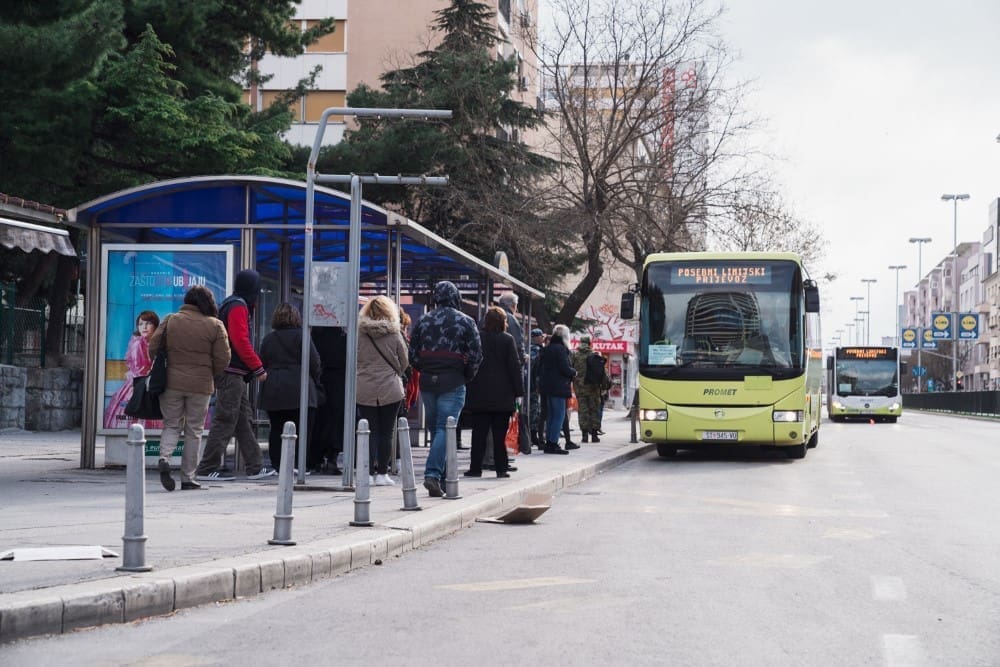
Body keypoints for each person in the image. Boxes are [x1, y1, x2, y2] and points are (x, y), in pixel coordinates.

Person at [196, 269, 275, 481]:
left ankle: (255, 466)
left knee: (242, 420)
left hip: (230, 372)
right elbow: (240, 340)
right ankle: (207, 468)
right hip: (231, 372)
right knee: (226, 418)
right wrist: (258, 368)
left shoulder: (230, 303)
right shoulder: (238, 306)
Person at [150, 286, 230, 491]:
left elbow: (153, 346)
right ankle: (188, 477)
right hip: (201, 385)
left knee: (171, 425)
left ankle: (164, 457)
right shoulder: (215, 325)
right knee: (194, 430)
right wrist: (209, 372)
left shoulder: (171, 320)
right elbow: (224, 358)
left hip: (171, 382)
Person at [408, 280, 482, 497]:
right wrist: (466, 375)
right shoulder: (466, 321)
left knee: (436, 430)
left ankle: (440, 477)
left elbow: (412, 354)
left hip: (428, 381)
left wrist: (425, 368)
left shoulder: (423, 320)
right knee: (444, 429)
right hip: (453, 380)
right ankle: (432, 474)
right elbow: (477, 354)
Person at [258, 303, 322, 474]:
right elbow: (315, 362)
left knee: (277, 429)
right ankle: (298, 464)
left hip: (274, 388)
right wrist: (315, 381)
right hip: (300, 388)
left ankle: (278, 464)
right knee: (302, 430)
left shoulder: (269, 339)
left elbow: (261, 362)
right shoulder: (303, 336)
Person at [464, 306, 524, 478]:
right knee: (499, 434)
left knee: (478, 434)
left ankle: (475, 468)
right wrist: (518, 392)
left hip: (480, 393)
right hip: (503, 395)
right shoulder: (507, 340)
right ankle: (501, 468)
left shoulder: (478, 338)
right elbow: (514, 367)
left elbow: (471, 362)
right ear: (503, 322)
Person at [357, 295, 409, 486]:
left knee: (369, 431)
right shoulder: (394, 334)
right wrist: (394, 371)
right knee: (386, 432)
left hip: (365, 387)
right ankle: (382, 474)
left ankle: (367, 473)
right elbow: (404, 361)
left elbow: (353, 358)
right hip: (390, 388)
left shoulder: (359, 334)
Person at [104, 311, 162, 430]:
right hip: (140, 383)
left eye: (148, 323)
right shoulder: (139, 343)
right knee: (142, 409)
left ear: (155, 326)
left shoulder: (153, 342)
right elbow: (139, 369)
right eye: (141, 324)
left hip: (145, 382)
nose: (144, 327)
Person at [311, 326, 348, 473]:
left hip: (318, 380)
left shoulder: (314, 334)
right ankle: (332, 457)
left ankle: (315, 459)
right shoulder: (343, 337)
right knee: (336, 420)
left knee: (318, 419)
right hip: (339, 382)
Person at [536, 324, 575, 454]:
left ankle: (549, 443)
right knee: (559, 415)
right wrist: (574, 372)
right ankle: (553, 443)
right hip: (558, 387)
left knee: (551, 415)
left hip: (546, 387)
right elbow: (564, 368)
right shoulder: (561, 349)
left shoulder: (547, 349)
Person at [571, 334, 610, 443]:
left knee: (583, 411)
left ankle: (584, 435)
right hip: (594, 388)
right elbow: (602, 373)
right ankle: (594, 435)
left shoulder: (575, 356)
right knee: (594, 410)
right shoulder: (594, 355)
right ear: (589, 343)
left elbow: (571, 370)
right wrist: (605, 386)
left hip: (580, 388)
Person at [527, 328, 545, 449]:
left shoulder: (527, 349)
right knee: (534, 411)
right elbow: (537, 369)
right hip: (533, 385)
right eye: (541, 337)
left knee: (530, 410)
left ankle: (531, 435)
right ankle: (533, 436)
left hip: (527, 384)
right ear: (537, 338)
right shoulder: (538, 350)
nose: (542, 339)